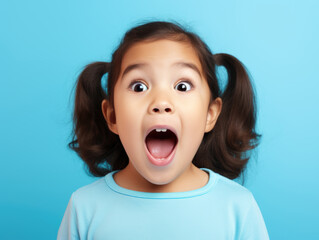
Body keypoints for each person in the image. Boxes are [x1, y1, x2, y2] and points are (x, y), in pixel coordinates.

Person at [57, 20, 269, 239]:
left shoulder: (237, 207)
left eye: (182, 86)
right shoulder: (85, 208)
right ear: (112, 116)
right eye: (139, 86)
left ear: (210, 114)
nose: (161, 102)